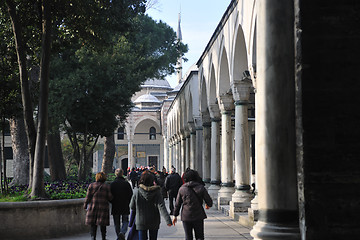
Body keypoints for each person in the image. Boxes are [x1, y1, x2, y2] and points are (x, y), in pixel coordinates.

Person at [130, 171, 172, 240]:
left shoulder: (137, 192)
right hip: (154, 221)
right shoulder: (157, 192)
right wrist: (168, 220)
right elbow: (162, 207)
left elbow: (132, 206)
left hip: (141, 221)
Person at [172, 169, 213, 240]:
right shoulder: (201, 187)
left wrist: (175, 215)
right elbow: (209, 201)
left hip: (186, 215)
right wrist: (208, 204)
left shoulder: (182, 189)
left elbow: (177, 204)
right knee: (200, 236)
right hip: (198, 215)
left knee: (188, 237)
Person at [84, 172, 113, 240]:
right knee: (103, 224)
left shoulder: (91, 185)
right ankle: (103, 237)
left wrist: (85, 205)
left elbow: (88, 197)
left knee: (93, 224)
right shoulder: (106, 186)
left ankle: (93, 237)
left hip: (93, 207)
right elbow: (110, 197)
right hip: (103, 207)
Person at [110, 168, 133, 240]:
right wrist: (128, 202)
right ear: (122, 174)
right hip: (125, 204)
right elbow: (131, 194)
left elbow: (109, 195)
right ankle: (122, 232)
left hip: (115, 205)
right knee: (125, 220)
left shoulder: (112, 184)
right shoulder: (126, 184)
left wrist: (112, 201)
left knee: (116, 222)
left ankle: (119, 236)